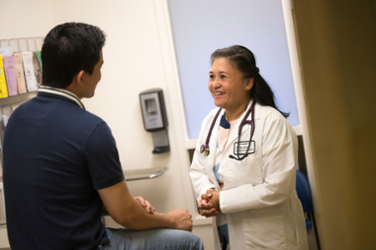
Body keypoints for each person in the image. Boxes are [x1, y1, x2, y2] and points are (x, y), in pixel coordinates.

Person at [3, 22, 203, 250]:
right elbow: (127, 216)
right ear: (81, 77)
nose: (100, 74)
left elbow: (57, 196)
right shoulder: (91, 129)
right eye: (99, 67)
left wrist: (118, 203)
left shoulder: (18, 119)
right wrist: (172, 220)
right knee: (188, 242)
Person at [189, 45, 308, 250]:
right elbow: (198, 169)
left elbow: (277, 188)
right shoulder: (210, 122)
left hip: (267, 237)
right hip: (227, 233)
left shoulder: (271, 122)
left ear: (248, 82)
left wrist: (222, 201)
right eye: (211, 76)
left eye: (223, 76)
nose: (214, 84)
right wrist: (208, 194)